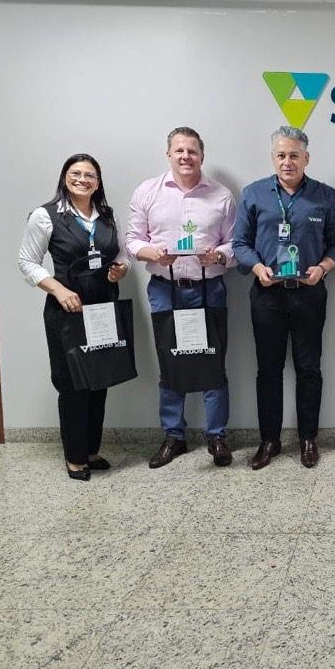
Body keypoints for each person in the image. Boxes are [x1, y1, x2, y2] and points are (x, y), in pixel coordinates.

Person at [233, 126, 335, 470]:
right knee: (268, 369)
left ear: (306, 158)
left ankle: (308, 439)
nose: (287, 162)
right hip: (267, 295)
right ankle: (269, 440)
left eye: (294, 155)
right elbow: (240, 245)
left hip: (309, 294)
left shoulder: (325, 196)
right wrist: (257, 268)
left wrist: (323, 268)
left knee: (309, 368)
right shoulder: (254, 194)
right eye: (281, 155)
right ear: (272, 158)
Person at [126, 126, 237, 469]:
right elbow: (132, 241)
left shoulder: (222, 196)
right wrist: (153, 254)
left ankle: (216, 436)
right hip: (165, 289)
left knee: (213, 362)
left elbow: (235, 244)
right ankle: (174, 436)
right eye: (179, 150)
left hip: (209, 289)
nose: (186, 156)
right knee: (169, 361)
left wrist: (218, 255)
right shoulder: (147, 191)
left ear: (202, 156)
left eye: (192, 151)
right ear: (169, 154)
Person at [18, 153, 131, 481]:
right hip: (67, 310)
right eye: (76, 173)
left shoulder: (107, 215)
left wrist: (121, 269)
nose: (83, 179)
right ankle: (75, 458)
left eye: (90, 175)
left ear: (98, 182)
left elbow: (121, 253)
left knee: (99, 380)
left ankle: (92, 450)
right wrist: (57, 290)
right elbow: (27, 261)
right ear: (65, 177)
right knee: (72, 385)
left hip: (103, 307)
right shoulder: (46, 215)